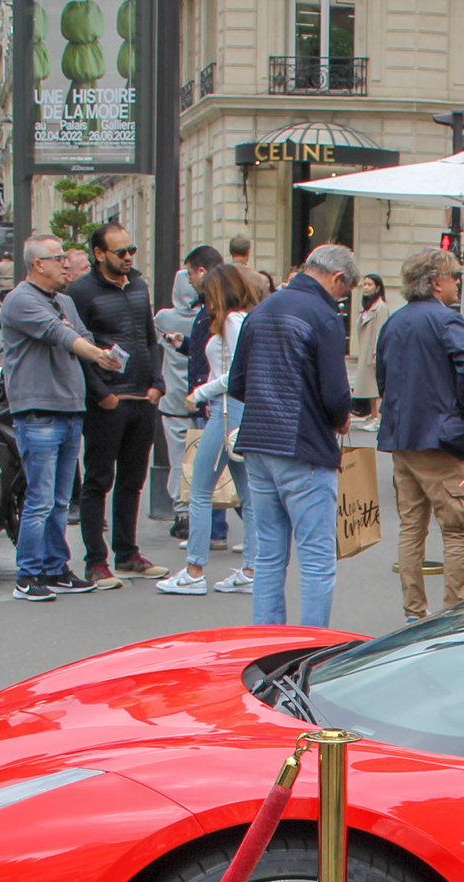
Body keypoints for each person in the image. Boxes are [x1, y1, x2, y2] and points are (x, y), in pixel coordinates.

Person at [227, 242, 359, 628]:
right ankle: (310, 645)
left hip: (258, 442)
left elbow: (238, 384)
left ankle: (267, 639)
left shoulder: (261, 309)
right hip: (303, 445)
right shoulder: (323, 315)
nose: (342, 297)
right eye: (344, 289)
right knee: (317, 557)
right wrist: (339, 418)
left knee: (268, 554)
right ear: (337, 279)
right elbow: (336, 395)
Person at [0, 233, 129, 602]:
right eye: (58, 259)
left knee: (58, 500)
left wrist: (106, 355)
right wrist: (92, 351)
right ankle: (28, 575)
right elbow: (61, 335)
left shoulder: (65, 302)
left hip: (70, 409)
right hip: (38, 411)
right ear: (38, 264)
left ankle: (56, 568)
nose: (66, 265)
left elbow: (82, 336)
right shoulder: (21, 300)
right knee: (39, 499)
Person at [375, 248, 464, 621]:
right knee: (455, 528)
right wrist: (463, 411)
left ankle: (413, 611)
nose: (458, 283)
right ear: (437, 282)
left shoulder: (395, 322)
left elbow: (382, 375)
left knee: (411, 526)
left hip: (402, 436)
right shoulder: (445, 320)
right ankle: (453, 611)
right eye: (455, 277)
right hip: (439, 437)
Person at [65, 222, 164, 585]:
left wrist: (157, 381)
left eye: (131, 251)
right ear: (99, 254)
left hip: (143, 397)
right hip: (108, 400)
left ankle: (127, 553)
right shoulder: (81, 292)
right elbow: (78, 349)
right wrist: (101, 393)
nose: (127, 258)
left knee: (132, 481)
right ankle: (96, 561)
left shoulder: (138, 284)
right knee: (98, 480)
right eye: (120, 252)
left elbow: (149, 337)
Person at [158, 263, 258, 597]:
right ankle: (250, 569)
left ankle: (195, 569)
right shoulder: (241, 319)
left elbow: (235, 375)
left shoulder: (231, 321)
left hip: (227, 409)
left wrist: (199, 393)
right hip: (235, 409)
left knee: (200, 490)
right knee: (247, 494)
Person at [348, 271, 392, 429]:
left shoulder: (381, 308)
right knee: (368, 386)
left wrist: (376, 353)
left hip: (373, 352)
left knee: (374, 386)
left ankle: (378, 417)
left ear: (378, 287)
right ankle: (373, 415)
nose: (365, 288)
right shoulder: (369, 306)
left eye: (369, 285)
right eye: (364, 284)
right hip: (366, 351)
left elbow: (381, 331)